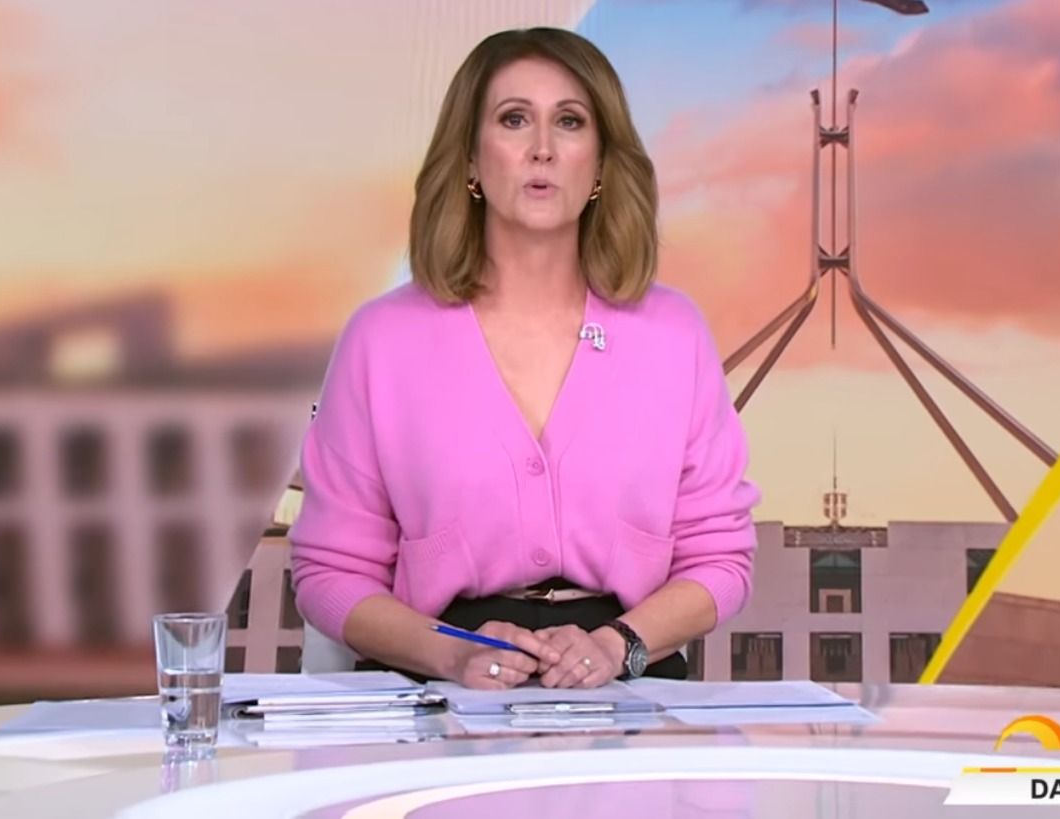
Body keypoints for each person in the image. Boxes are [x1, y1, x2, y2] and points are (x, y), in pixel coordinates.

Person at [288, 27, 759, 691]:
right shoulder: (380, 339)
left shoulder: (673, 333)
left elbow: (722, 560)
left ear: (601, 162)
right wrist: (451, 655)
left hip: (630, 679)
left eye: (569, 121)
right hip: (430, 683)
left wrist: (618, 645)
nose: (542, 148)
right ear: (470, 158)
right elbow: (329, 574)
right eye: (514, 119)